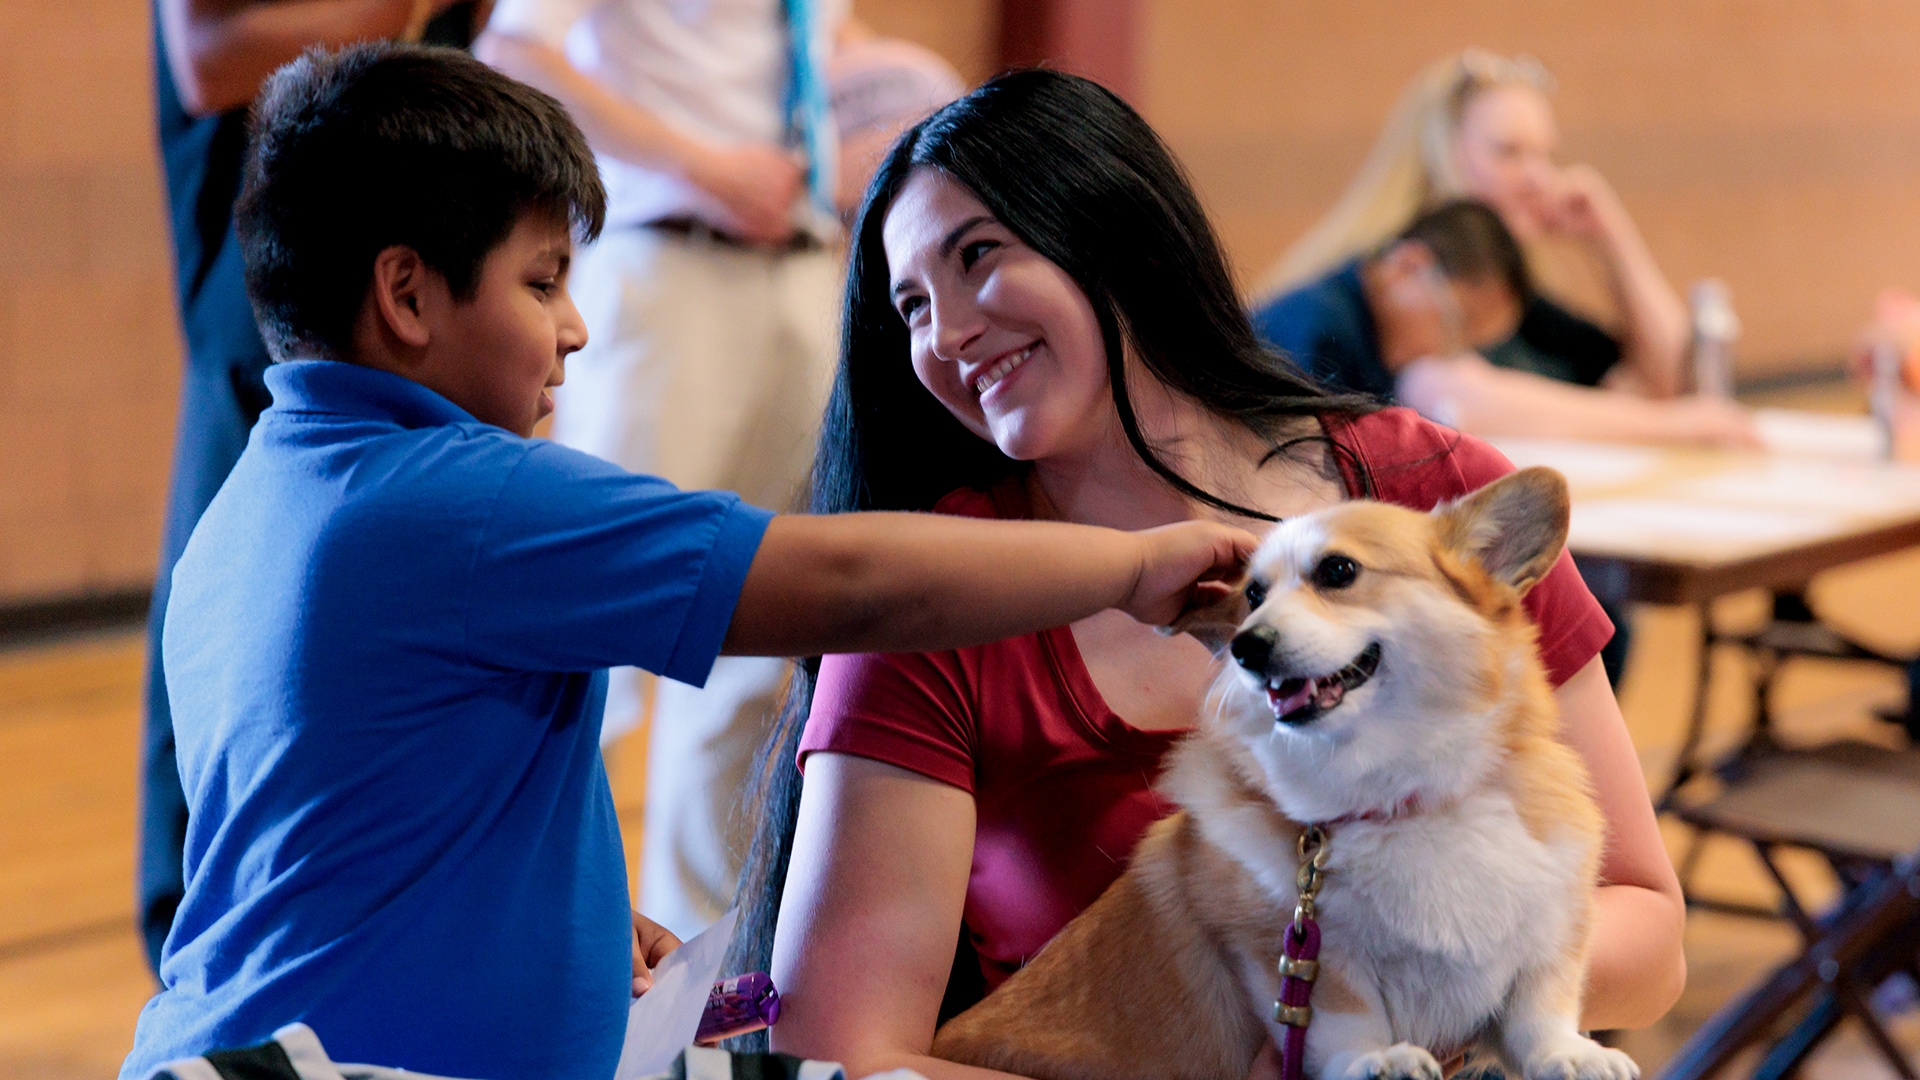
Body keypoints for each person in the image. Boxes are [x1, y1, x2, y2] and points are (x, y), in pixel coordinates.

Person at [121, 45, 1254, 1080]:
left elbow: (338, 817)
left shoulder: (252, 510)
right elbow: (846, 583)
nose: (573, 326)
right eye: (542, 279)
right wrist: (1126, 567)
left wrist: (547, 913)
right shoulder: (457, 498)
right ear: (407, 294)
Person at [737, 71, 1686, 1080]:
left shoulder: (1433, 500)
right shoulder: (932, 599)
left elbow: (1646, 929)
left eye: (979, 258)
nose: (948, 332)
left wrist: (1380, 1028)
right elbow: (840, 1057)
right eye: (912, 305)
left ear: (1122, 236)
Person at [473, 0, 852, 941]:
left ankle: (694, 974)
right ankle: (534, 937)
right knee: (590, 633)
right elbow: (516, 47)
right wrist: (704, 165)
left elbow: (815, 51)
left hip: (806, 264)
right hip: (674, 261)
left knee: (755, 650)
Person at [141, 0, 487, 972]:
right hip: (267, 288)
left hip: (416, 256)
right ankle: (198, 954)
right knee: (233, 611)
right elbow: (207, 59)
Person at [1255, 199, 1757, 448]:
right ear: (1408, 266)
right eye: (1454, 327)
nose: (1447, 353)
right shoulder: (1314, 328)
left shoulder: (1363, 318)